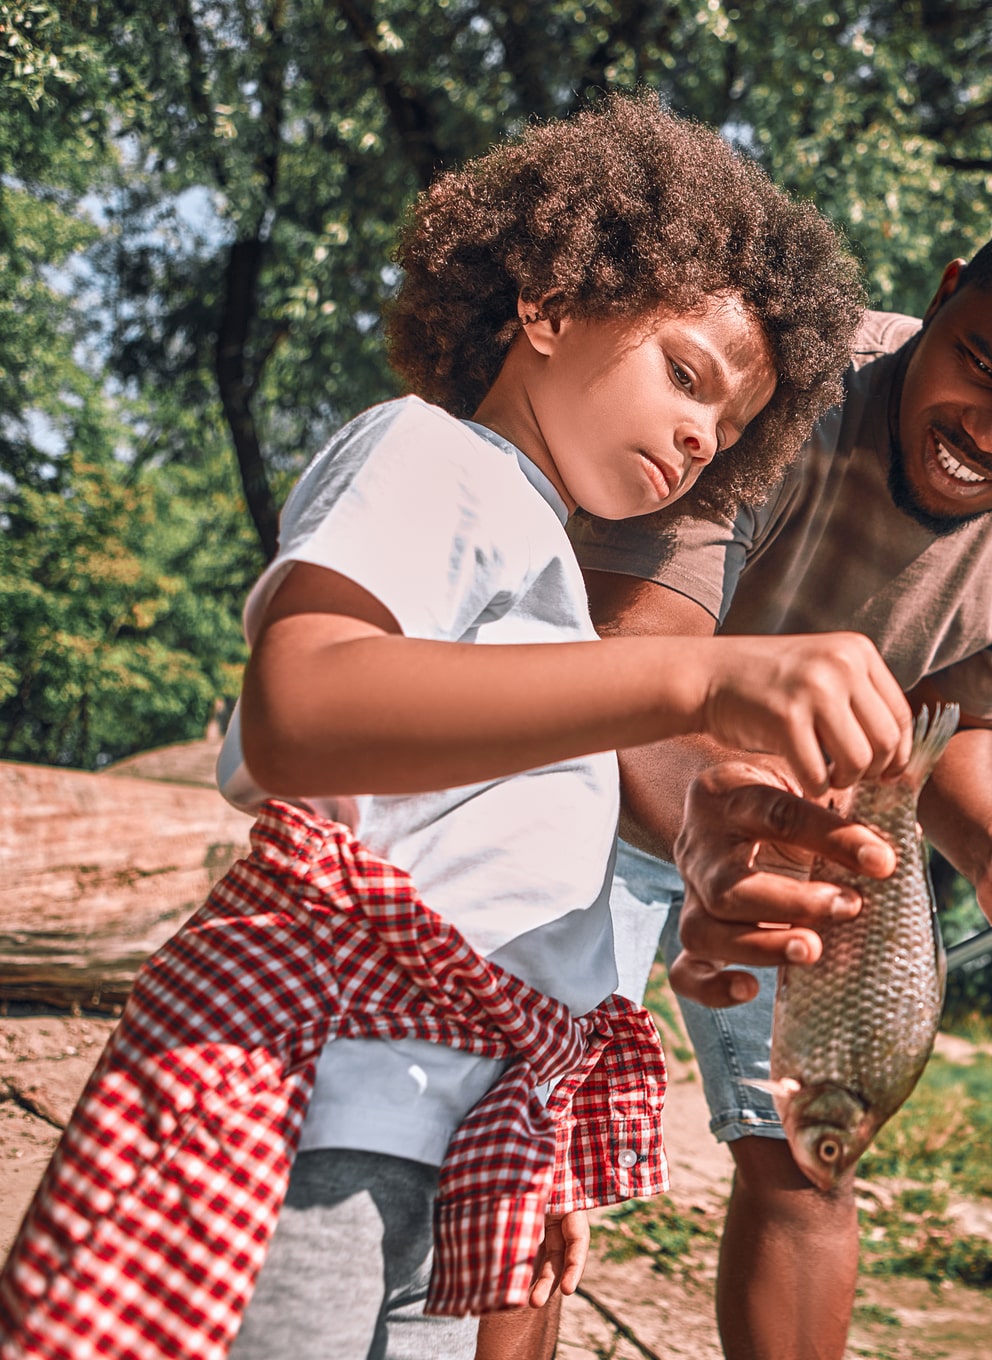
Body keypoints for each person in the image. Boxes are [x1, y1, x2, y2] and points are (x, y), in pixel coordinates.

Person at [0, 97, 909, 1360]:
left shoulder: (547, 578)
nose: (702, 435)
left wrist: (534, 1137)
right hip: (318, 1115)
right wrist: (690, 683)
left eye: (730, 431)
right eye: (685, 375)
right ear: (545, 304)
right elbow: (302, 704)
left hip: (460, 1139)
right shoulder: (431, 456)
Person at [570, 202, 992, 1360]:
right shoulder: (780, 384)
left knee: (812, 1157)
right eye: (979, 365)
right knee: (527, 1129)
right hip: (600, 775)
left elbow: (954, 722)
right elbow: (630, 657)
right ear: (947, 293)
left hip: (804, 842)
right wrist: (719, 833)